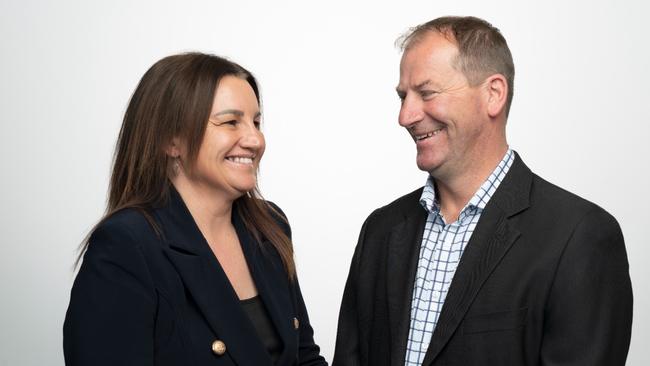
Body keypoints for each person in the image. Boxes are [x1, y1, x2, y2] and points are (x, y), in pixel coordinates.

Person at [333, 16, 632, 366]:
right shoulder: (380, 232)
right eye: (403, 97)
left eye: (426, 93)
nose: (405, 116)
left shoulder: (580, 236)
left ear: (493, 94)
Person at [64, 52, 327, 366]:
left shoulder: (270, 225)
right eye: (231, 122)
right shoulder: (127, 245)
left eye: (255, 122)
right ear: (171, 140)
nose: (255, 139)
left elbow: (304, 357)